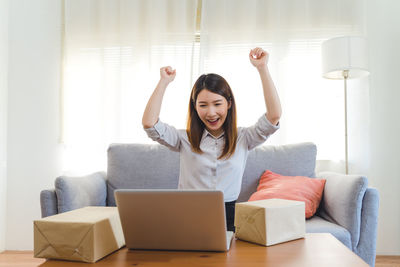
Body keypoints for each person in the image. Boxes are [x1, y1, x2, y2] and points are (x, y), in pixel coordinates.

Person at [142, 47, 282, 232]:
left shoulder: (244, 138)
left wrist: (262, 68)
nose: (211, 113)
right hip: (187, 211)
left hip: (229, 215)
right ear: (195, 107)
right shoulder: (183, 138)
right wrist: (164, 82)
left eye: (217, 104)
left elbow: (274, 116)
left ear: (229, 104)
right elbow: (149, 124)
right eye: (203, 105)